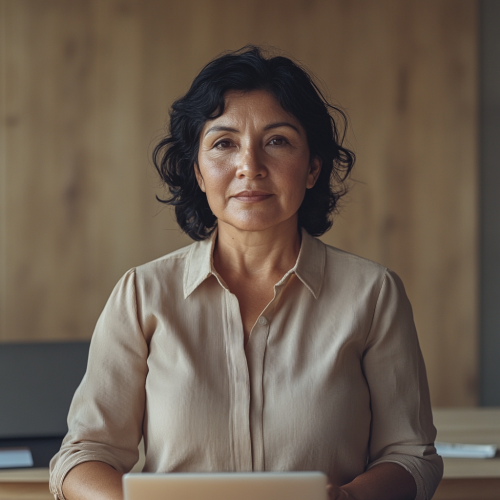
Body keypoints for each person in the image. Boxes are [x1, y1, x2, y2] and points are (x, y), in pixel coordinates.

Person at [50, 46, 443, 500]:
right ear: (197, 171)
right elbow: (81, 457)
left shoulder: (374, 294)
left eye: (277, 141)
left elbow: (411, 455)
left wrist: (348, 499)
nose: (249, 167)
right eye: (223, 143)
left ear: (313, 167)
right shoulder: (142, 294)